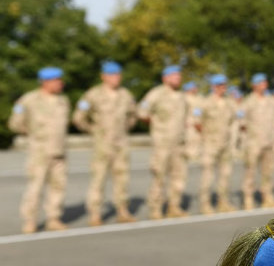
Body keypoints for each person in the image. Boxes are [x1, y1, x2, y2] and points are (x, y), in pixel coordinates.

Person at [72, 61, 137, 226]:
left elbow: (132, 116)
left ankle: (122, 210)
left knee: (122, 178)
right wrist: (94, 131)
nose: (116, 78)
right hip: (102, 145)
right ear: (103, 77)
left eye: (118, 75)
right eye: (112, 75)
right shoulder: (92, 94)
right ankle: (95, 214)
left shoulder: (126, 95)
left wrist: (124, 129)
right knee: (98, 179)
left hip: (121, 144)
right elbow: (78, 118)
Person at [8, 67, 70, 233]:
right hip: (39, 152)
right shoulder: (29, 99)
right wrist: (33, 134)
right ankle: (30, 221)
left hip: (59, 151)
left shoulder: (63, 100)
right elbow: (14, 123)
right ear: (45, 82)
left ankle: (53, 218)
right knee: (35, 187)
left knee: (58, 186)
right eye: (57, 80)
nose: (60, 83)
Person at [138, 65, 190, 219]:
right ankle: (156, 208)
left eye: (179, 76)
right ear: (165, 78)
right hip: (162, 144)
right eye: (174, 76)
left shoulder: (182, 96)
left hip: (178, 144)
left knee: (178, 177)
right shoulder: (156, 94)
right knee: (159, 177)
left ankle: (174, 206)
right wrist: (155, 126)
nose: (178, 78)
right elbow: (142, 112)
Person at [194, 74, 237, 214]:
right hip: (210, 145)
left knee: (225, 174)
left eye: (224, 85)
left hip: (225, 144)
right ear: (213, 87)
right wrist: (208, 136)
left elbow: (232, 121)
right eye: (220, 85)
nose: (223, 88)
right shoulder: (205, 103)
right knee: (208, 175)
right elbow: (197, 122)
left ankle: (223, 202)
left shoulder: (229, 102)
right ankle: (205, 204)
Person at [240, 73, 274, 209]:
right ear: (254, 85)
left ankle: (267, 197)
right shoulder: (248, 101)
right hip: (254, 143)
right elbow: (242, 123)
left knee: (268, 171)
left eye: (264, 82)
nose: (263, 85)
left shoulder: (272, 101)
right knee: (250, 171)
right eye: (260, 83)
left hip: (269, 142)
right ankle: (248, 198)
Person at [183, 81, 203, 163]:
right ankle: (188, 154)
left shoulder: (198, 98)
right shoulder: (184, 98)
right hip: (189, 122)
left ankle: (195, 154)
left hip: (198, 121)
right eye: (193, 87)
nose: (195, 89)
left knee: (197, 138)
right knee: (189, 139)